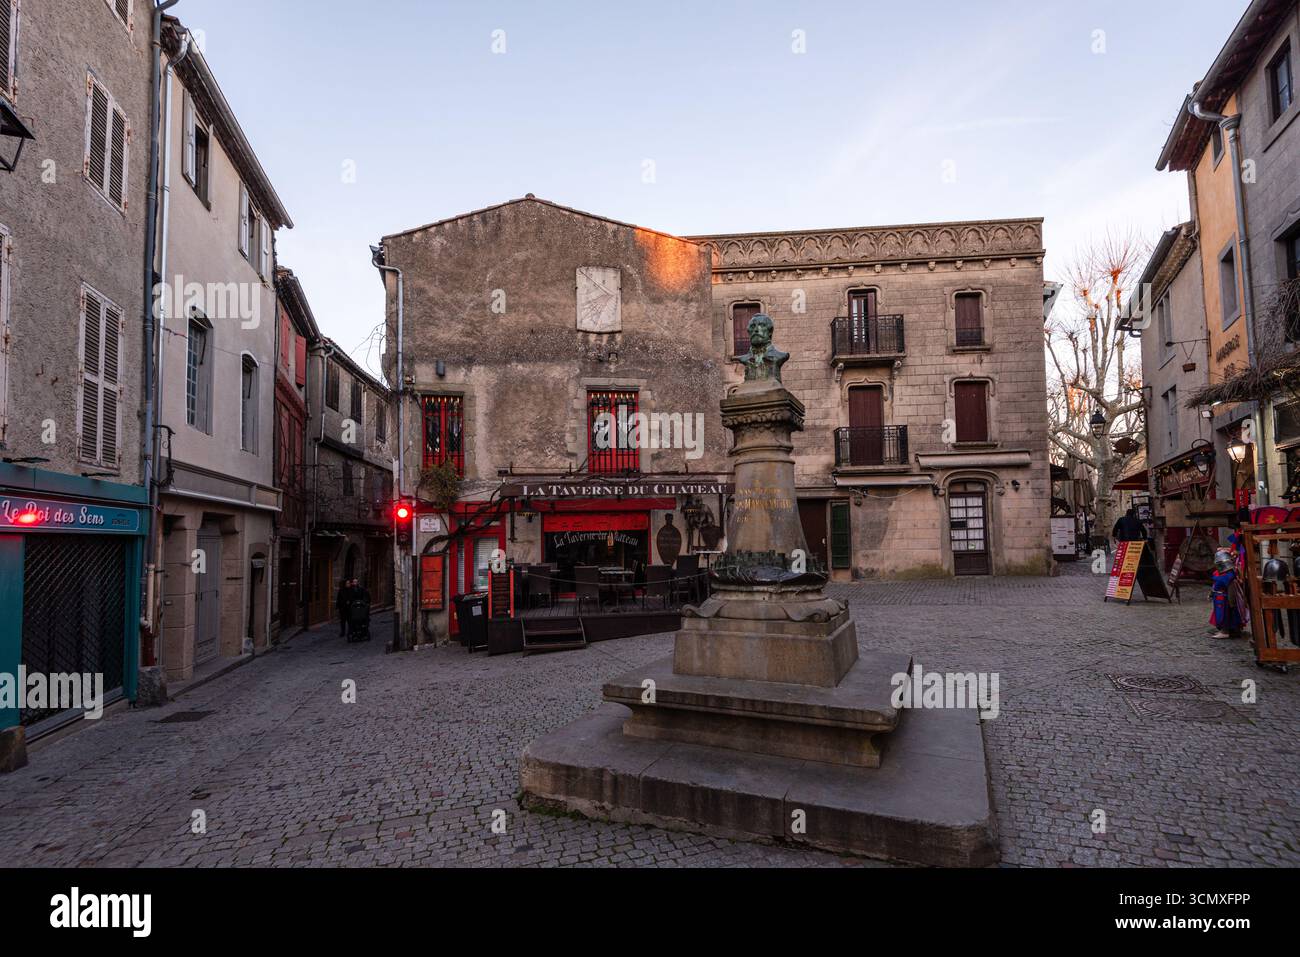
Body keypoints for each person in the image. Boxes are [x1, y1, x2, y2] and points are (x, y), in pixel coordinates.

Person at [1209, 548, 1250, 640]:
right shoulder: (1228, 573)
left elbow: (1230, 589)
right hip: (1222, 597)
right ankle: (1232, 630)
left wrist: (1232, 603)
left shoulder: (1229, 575)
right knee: (1228, 615)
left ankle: (1225, 631)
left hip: (1226, 599)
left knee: (1226, 615)